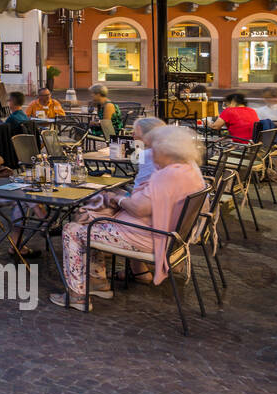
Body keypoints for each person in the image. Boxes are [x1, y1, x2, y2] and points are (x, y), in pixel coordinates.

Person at [53, 125, 206, 311]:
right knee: (94, 221)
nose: (150, 152)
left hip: (148, 237)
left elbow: (139, 208)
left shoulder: (168, 176)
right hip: (170, 238)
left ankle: (77, 296)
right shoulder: (188, 171)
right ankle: (96, 282)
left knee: (72, 230)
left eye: (154, 148)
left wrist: (117, 198)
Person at [128, 116, 165, 190]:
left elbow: (138, 187)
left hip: (150, 197)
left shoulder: (147, 154)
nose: (132, 134)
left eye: (136, 131)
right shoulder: (171, 150)